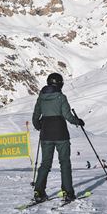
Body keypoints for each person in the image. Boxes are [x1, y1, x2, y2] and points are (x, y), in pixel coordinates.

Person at [32, 73, 84, 203]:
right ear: (59, 83)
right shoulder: (61, 97)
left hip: (46, 135)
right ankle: (68, 192)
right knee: (64, 163)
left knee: (45, 164)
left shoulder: (41, 97)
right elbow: (68, 116)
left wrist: (39, 126)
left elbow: (35, 116)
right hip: (61, 134)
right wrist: (78, 121)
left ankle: (39, 191)